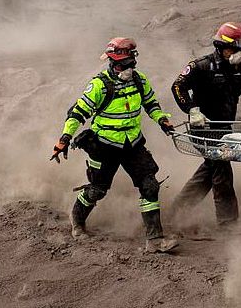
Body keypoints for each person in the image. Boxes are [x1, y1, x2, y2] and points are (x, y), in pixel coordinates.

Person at [50, 37, 178, 253]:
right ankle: (77, 223)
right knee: (97, 190)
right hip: (104, 147)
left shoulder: (140, 80)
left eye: (130, 62)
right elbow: (77, 114)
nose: (128, 67)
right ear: (113, 62)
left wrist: (162, 120)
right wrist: (64, 139)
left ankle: (155, 240)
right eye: (123, 64)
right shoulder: (99, 85)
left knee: (149, 186)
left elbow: (151, 104)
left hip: (133, 145)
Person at [170, 22, 241, 226]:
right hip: (204, 129)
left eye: (240, 50)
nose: (237, 54)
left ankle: (176, 212)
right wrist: (192, 110)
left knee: (209, 171)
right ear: (221, 47)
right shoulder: (201, 66)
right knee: (222, 171)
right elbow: (178, 86)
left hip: (223, 129)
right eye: (233, 49)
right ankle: (228, 225)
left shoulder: (239, 67)